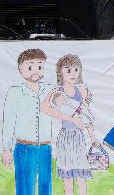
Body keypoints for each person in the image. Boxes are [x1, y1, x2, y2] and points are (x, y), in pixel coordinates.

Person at [1, 49, 86, 195]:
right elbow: (8, 122)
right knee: (25, 186)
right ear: (20, 68)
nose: (36, 71)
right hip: (24, 146)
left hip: (45, 147)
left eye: (40, 67)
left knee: (45, 186)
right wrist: (6, 149)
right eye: (30, 67)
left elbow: (66, 101)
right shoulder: (15, 92)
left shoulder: (51, 89)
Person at [41, 54, 98, 195]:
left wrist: (93, 138)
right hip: (65, 136)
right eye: (68, 70)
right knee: (67, 175)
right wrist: (71, 119)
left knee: (81, 174)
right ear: (60, 72)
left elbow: (87, 115)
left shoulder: (82, 90)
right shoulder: (57, 91)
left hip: (79, 136)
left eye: (76, 70)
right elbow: (44, 108)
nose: (73, 74)